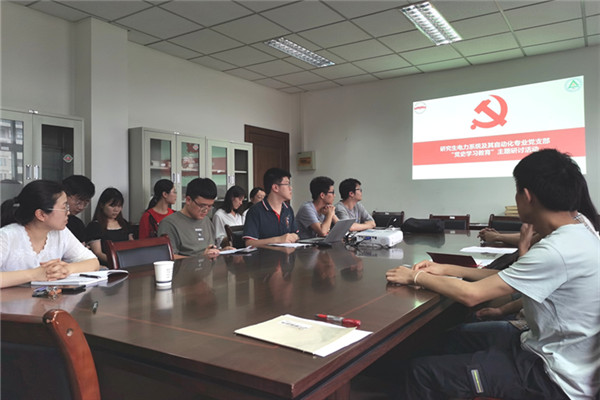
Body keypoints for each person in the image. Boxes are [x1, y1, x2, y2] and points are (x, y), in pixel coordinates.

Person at [386, 149, 600, 400]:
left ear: (527, 196)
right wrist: (445, 269)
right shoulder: (577, 232)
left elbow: (472, 295)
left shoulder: (557, 250)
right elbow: (507, 276)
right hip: (543, 347)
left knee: (421, 372)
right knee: (450, 339)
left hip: (552, 377)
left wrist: (415, 277)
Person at [0, 180, 99, 288]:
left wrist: (66, 269)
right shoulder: (6, 236)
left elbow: (93, 262)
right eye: (64, 207)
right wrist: (33, 274)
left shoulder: (61, 233)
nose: (68, 212)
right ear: (41, 214)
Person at [158, 178, 230, 258]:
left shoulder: (207, 221)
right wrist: (200, 258)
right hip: (186, 266)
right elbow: (168, 257)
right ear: (188, 200)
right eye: (202, 206)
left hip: (208, 265)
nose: (205, 210)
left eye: (209, 206)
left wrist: (223, 251)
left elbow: (211, 249)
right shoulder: (169, 224)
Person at [243, 167, 299, 246]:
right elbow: (249, 243)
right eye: (287, 184)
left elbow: (295, 234)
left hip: (287, 252)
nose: (290, 188)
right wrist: (278, 240)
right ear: (275, 188)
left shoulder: (288, 209)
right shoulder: (255, 211)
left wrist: (295, 237)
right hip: (264, 254)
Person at [85, 188, 133, 265]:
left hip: (126, 264)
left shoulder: (124, 223)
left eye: (119, 206)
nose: (116, 210)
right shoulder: (95, 226)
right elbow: (98, 252)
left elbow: (131, 244)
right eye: (112, 206)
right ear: (102, 205)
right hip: (106, 266)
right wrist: (117, 262)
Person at [62, 175, 96, 243]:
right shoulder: (49, 220)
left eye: (86, 203)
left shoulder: (78, 224)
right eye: (78, 202)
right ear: (64, 194)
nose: (81, 207)